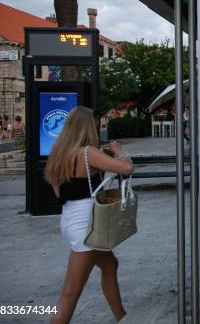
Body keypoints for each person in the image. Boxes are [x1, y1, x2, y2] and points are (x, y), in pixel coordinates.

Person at [44, 106, 135, 323]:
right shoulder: (87, 153)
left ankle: (121, 316)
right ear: (88, 127)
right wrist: (118, 150)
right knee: (71, 291)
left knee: (110, 265)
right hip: (88, 224)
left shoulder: (59, 153)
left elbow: (57, 192)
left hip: (70, 219)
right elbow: (126, 168)